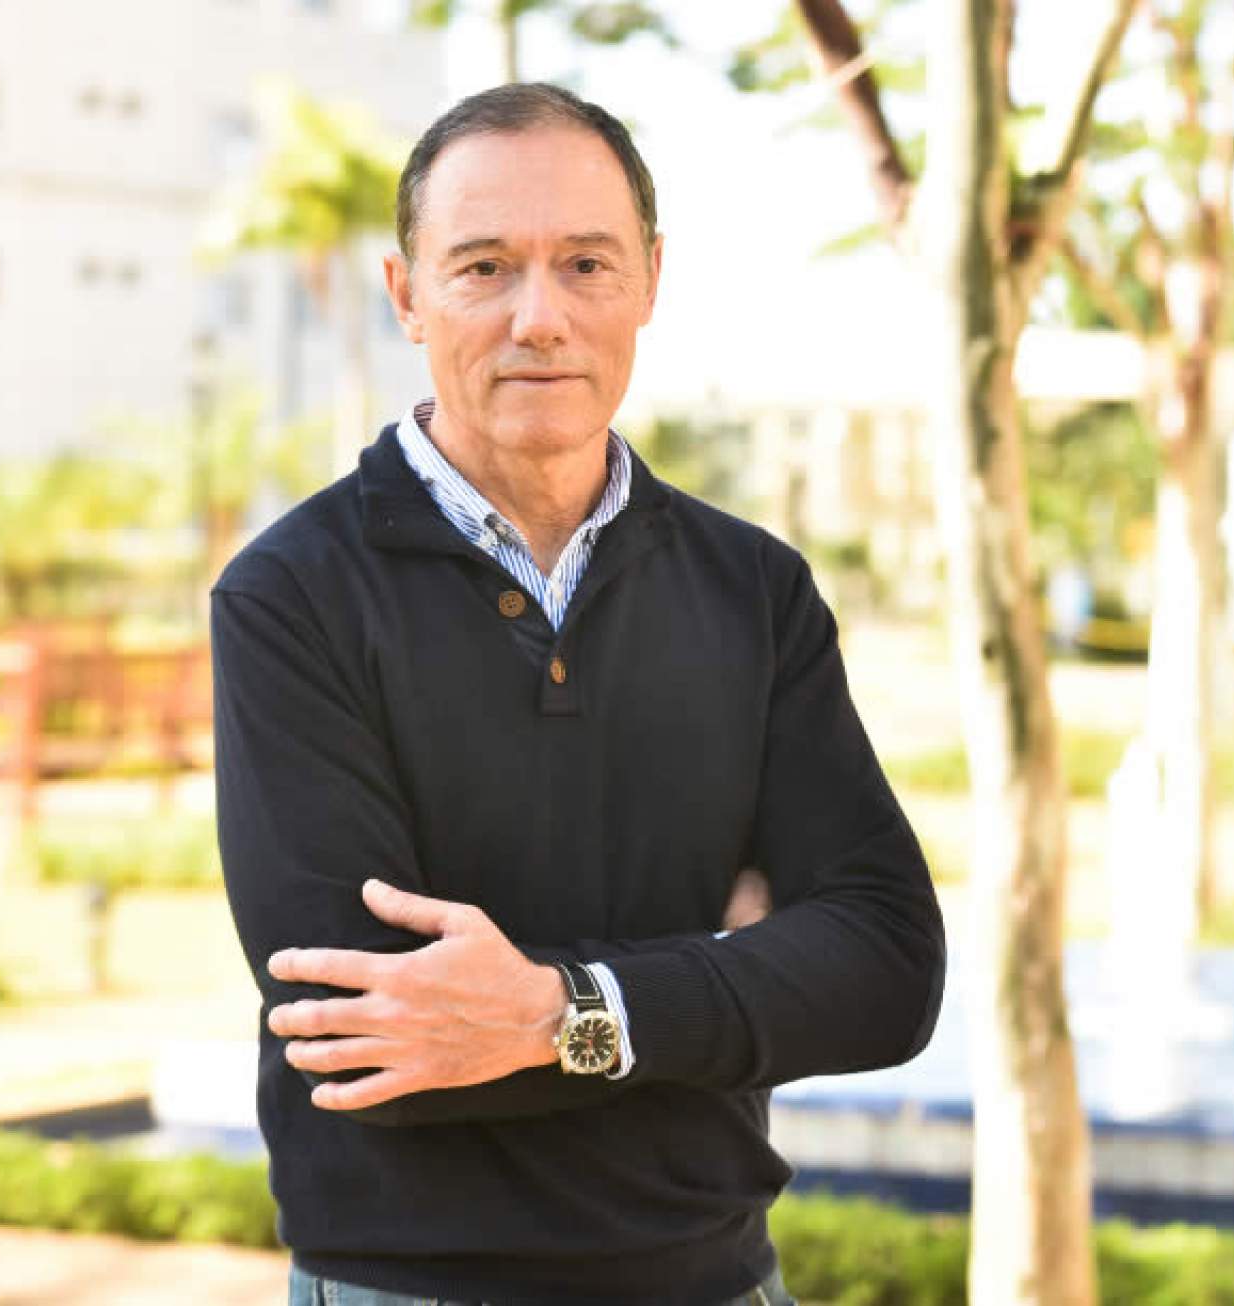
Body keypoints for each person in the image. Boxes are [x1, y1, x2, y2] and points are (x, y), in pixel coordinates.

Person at [211, 83, 946, 1306]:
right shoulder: (292, 595)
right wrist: (730, 966)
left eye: (587, 264)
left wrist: (558, 1007)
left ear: (650, 279)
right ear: (406, 294)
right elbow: (363, 1032)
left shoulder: (755, 590)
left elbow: (886, 968)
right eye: (484, 267)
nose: (540, 317)